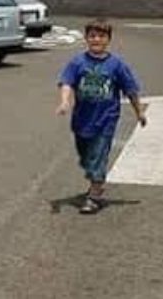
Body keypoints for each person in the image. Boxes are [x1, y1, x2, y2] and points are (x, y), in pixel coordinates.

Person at [55, 19, 147, 214]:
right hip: (82, 120)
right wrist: (64, 102)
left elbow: (131, 90)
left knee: (98, 155)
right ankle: (95, 180)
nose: (96, 39)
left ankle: (94, 196)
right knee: (86, 156)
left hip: (106, 119)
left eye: (101, 36)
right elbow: (67, 83)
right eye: (92, 36)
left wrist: (139, 112)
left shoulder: (116, 65)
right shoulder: (77, 62)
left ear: (108, 40)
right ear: (86, 38)